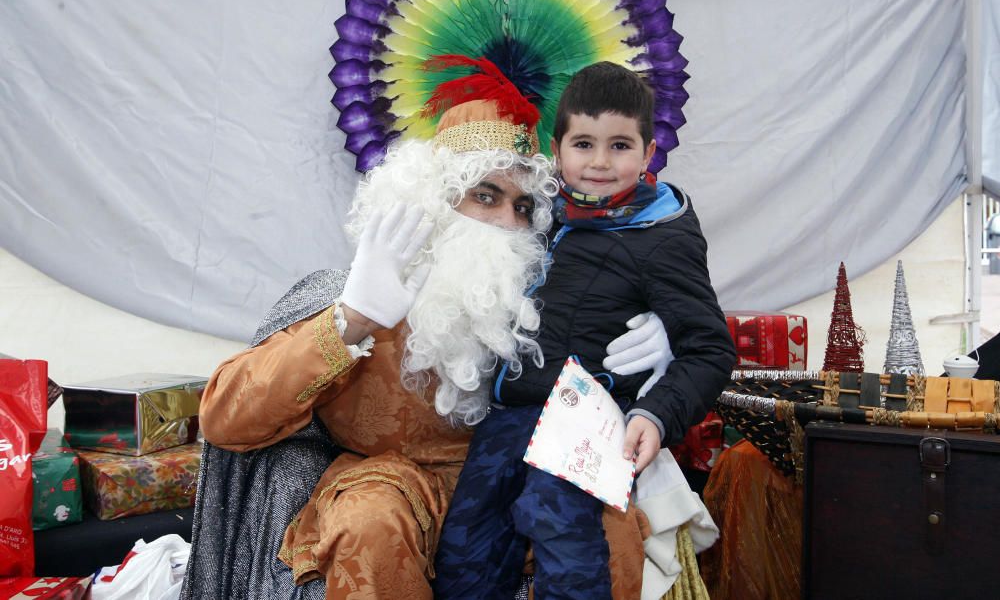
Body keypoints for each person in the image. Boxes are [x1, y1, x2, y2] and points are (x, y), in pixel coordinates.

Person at [194, 62, 665, 599]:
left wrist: (655, 353)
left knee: (610, 525)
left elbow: (602, 408)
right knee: (369, 523)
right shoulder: (349, 290)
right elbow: (222, 419)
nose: (509, 222)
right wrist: (351, 319)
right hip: (394, 481)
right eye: (485, 196)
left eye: (523, 206)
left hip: (513, 478)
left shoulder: (548, 302)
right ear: (433, 201)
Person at [433, 61, 737, 599]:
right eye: (584, 144)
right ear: (557, 150)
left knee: (557, 522)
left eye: (620, 145)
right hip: (512, 414)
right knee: (467, 542)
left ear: (648, 152)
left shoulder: (662, 235)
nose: (599, 162)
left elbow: (709, 348)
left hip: (587, 414)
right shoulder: (542, 214)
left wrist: (655, 411)